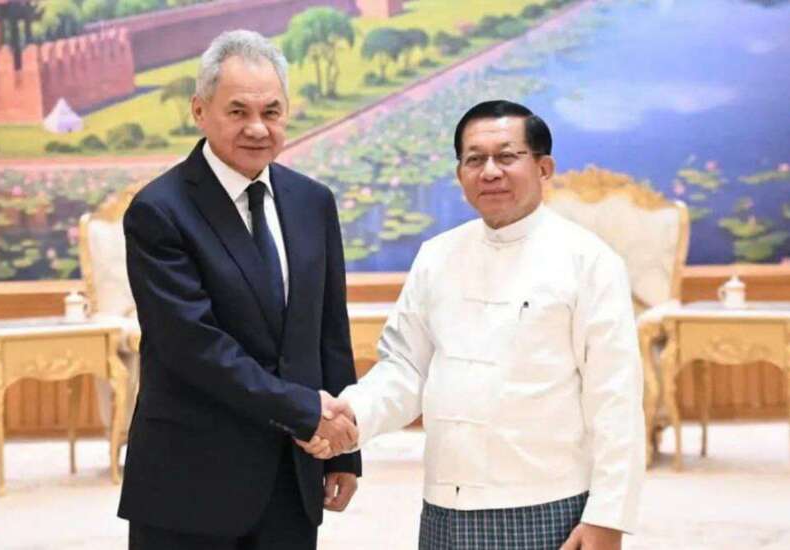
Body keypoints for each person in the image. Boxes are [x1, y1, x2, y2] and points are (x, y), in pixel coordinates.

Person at [304, 100, 645, 549]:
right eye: (475, 159)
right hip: (446, 504)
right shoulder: (437, 256)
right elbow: (406, 368)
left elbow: (615, 397)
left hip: (548, 504)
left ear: (543, 168)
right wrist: (352, 414)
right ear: (460, 172)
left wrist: (607, 517)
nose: (490, 172)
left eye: (506, 157)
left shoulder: (589, 261)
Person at [117, 30, 361, 550]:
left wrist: (343, 451)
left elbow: (328, 332)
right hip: (190, 480)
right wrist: (305, 412)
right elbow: (192, 346)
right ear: (199, 111)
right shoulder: (159, 210)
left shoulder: (313, 202)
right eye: (238, 111)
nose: (257, 128)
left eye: (271, 112)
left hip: (292, 475)